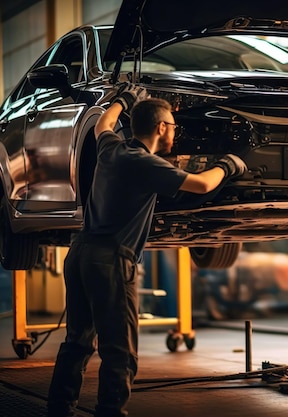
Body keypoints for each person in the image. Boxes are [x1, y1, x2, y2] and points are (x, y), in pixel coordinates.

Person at [46, 84, 247, 417]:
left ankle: (59, 410)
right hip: (110, 261)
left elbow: (101, 125)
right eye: (173, 125)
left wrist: (123, 99)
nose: (176, 131)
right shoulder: (145, 163)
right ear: (161, 128)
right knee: (120, 353)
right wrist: (228, 165)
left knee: (77, 343)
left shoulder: (112, 148)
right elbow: (201, 184)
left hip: (80, 253)